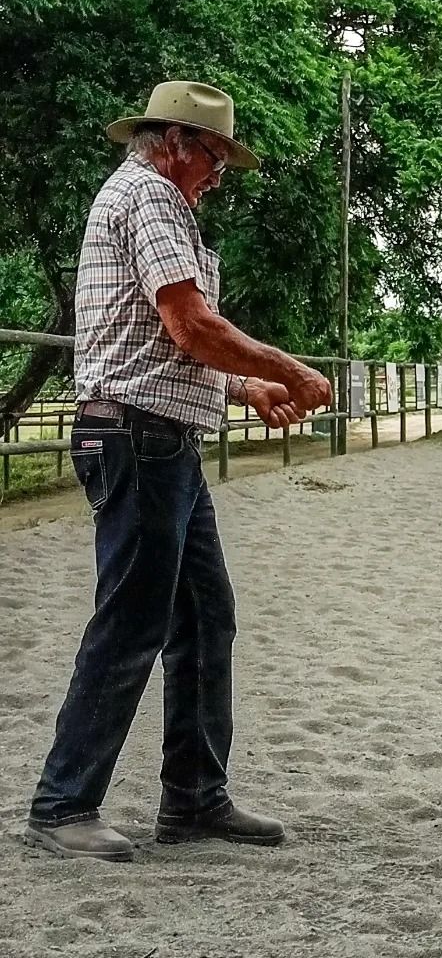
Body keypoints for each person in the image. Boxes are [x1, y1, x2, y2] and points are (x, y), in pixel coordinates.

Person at [24, 81, 334, 862]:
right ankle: (63, 806)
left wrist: (243, 383)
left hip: (158, 436)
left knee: (202, 618)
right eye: (214, 153)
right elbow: (189, 324)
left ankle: (194, 798)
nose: (220, 171)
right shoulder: (152, 199)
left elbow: (154, 341)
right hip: (138, 438)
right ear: (172, 142)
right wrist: (289, 368)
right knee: (133, 622)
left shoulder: (152, 200)